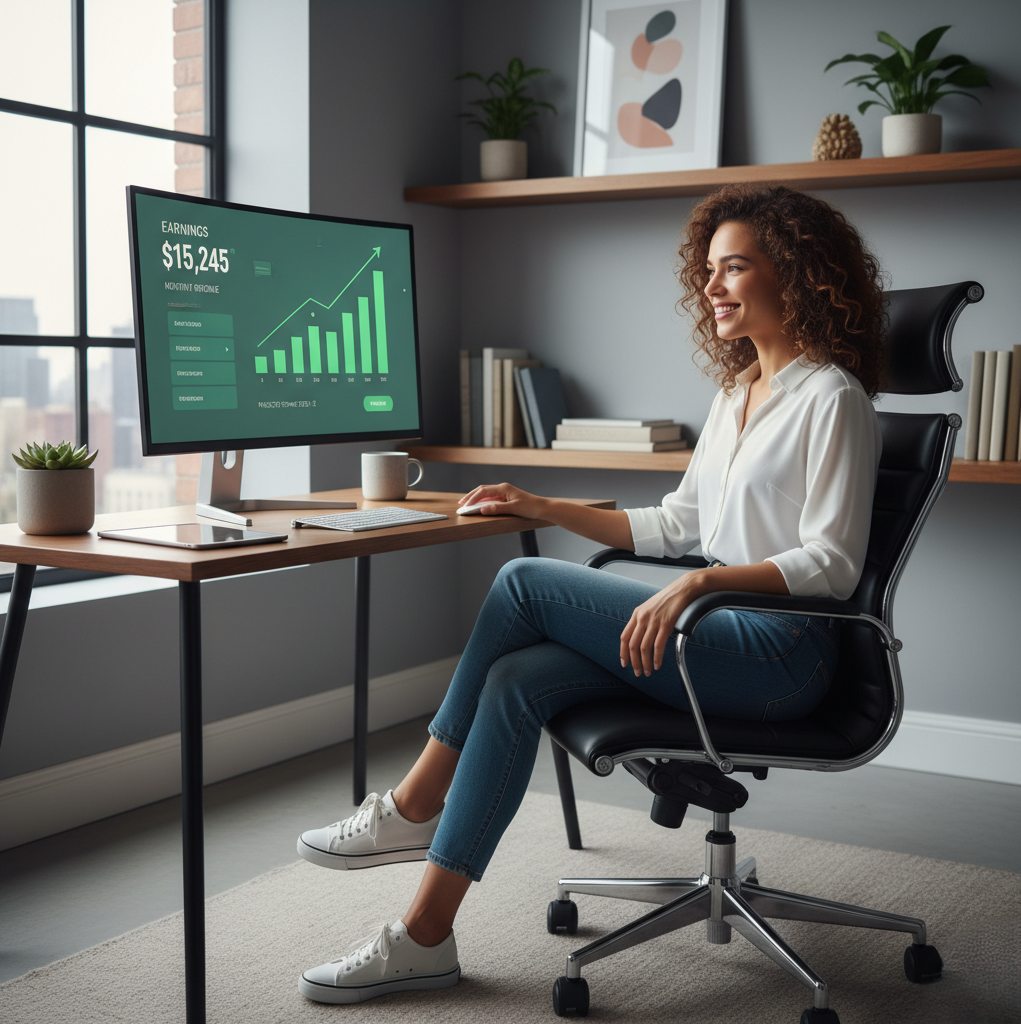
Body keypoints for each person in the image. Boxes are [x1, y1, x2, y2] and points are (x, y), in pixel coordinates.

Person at [294, 183, 887, 1004]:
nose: (711, 285)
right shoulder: (735, 395)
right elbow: (676, 522)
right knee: (517, 679)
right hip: (715, 637)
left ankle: (413, 803)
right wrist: (542, 505)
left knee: (520, 581)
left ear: (793, 272)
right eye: (709, 269)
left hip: (782, 656)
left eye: (734, 267)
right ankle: (425, 936)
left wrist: (702, 581)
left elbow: (833, 564)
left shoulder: (833, 399)